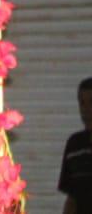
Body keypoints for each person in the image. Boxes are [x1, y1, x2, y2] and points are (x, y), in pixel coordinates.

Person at [62, 77, 92, 214]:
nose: (86, 110)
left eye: (91, 102)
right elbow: (72, 198)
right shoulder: (74, 144)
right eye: (82, 103)